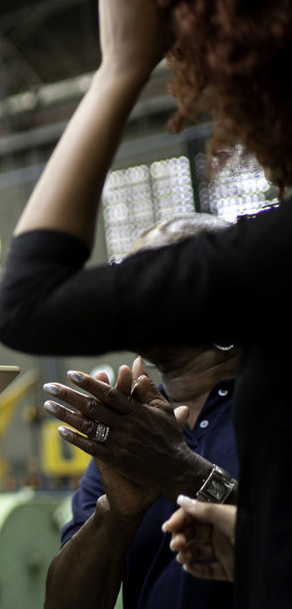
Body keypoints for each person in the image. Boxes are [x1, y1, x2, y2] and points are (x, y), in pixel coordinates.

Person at [0, 0, 292, 608]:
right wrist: (121, 507)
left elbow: (29, 301)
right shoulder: (140, 423)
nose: (129, 276)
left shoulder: (270, 292)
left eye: (166, 268)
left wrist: (120, 67)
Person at [42, 214, 239, 609]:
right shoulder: (131, 432)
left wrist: (179, 470)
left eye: (151, 270)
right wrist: (116, 515)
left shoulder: (275, 405)